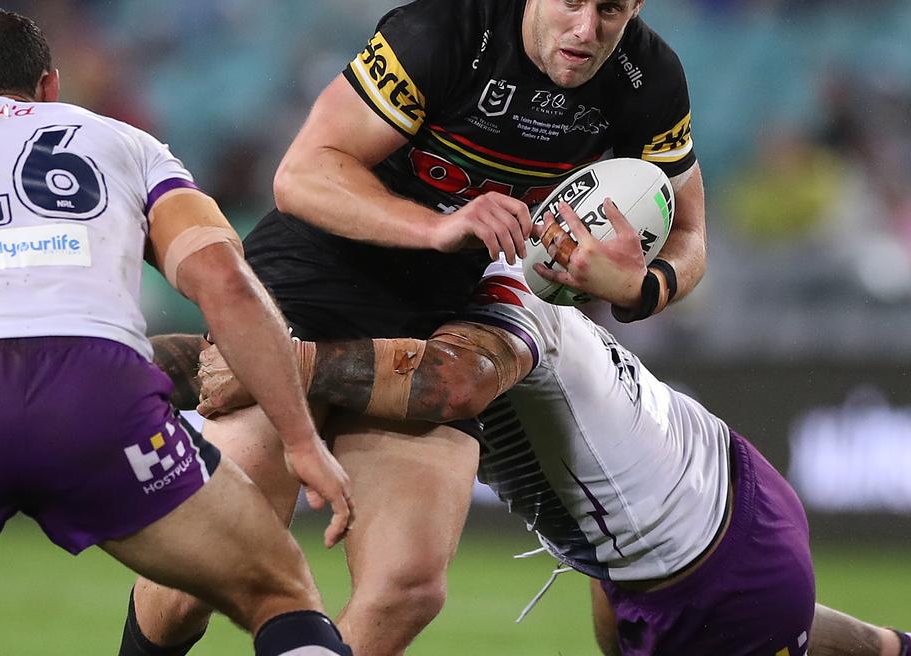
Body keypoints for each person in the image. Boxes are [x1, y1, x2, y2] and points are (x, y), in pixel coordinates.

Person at [125, 0, 707, 655]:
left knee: (407, 588)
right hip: (310, 280)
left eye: (610, 8)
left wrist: (637, 287)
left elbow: (691, 231)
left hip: (439, 311)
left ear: (642, 1)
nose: (585, 29)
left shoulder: (647, 81)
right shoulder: (444, 33)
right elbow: (300, 175)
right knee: (211, 565)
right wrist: (439, 226)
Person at [0, 7, 355, 656]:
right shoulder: (127, 144)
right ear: (50, 87)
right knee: (279, 593)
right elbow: (224, 282)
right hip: (99, 398)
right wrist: (303, 442)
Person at [195, 255, 911, 656]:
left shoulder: (493, 306)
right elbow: (226, 364)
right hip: (717, 491)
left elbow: (450, 383)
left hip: (705, 576)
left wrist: (286, 363)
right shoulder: (440, 293)